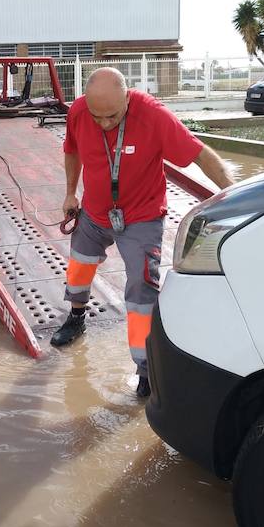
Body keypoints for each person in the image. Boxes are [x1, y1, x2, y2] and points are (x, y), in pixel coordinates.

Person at [51, 68, 233, 397]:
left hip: (142, 215)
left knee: (141, 293)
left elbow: (200, 156)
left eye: (112, 116)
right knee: (79, 266)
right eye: (98, 117)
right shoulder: (79, 111)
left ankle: (145, 369)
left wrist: (236, 196)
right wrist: (69, 192)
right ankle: (76, 318)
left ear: (127, 98)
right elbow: (72, 150)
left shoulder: (153, 116)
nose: (105, 124)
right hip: (94, 211)